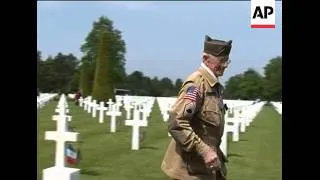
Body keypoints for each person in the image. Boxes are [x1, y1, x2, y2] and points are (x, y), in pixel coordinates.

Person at [161, 35, 232, 180]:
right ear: (206, 59)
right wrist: (204, 150)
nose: (225, 65)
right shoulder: (196, 84)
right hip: (191, 170)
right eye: (221, 61)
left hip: (208, 167)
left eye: (227, 61)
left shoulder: (214, 86)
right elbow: (177, 122)